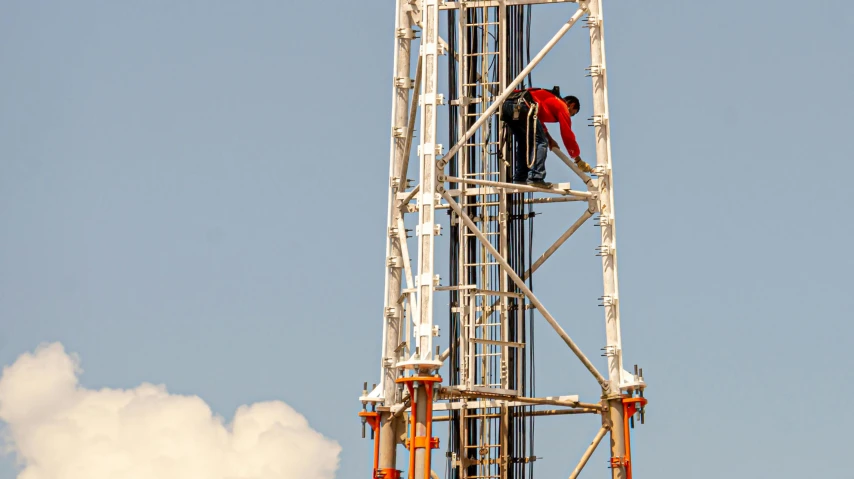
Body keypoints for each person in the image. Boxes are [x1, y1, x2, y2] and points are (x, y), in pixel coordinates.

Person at [500, 87, 594, 188]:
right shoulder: (562, 106)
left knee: (525, 142)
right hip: (524, 107)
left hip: (509, 106)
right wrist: (578, 159)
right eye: (572, 114)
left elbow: (538, 122)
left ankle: (520, 178)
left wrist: (550, 139)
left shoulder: (549, 100)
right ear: (571, 105)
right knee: (541, 142)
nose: (569, 116)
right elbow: (567, 135)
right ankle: (536, 178)